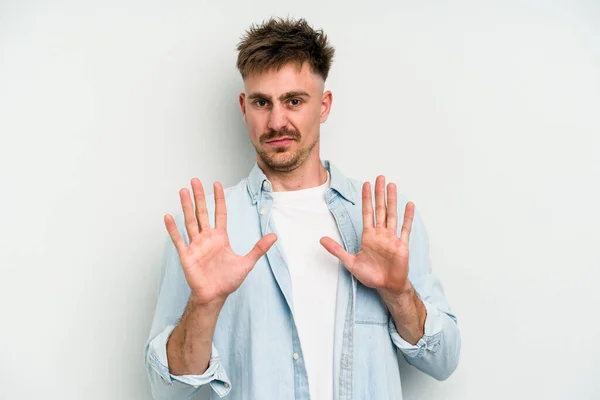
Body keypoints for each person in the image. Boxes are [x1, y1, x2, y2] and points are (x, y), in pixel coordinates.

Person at [144, 17, 460, 400]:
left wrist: (398, 294)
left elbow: (443, 361)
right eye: (262, 102)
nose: (277, 122)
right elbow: (165, 389)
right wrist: (204, 306)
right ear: (244, 107)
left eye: (294, 101)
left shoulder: (382, 218)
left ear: (323, 105)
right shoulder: (203, 227)